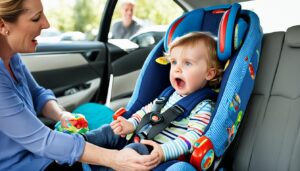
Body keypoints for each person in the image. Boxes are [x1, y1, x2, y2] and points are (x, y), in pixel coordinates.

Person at [0, 0, 159, 170]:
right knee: (135, 152)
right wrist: (115, 159)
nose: (46, 23)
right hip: (28, 165)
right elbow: (43, 140)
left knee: (117, 138)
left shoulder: (12, 57)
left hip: (43, 154)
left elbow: (38, 95)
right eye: (36, 18)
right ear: (2, 25)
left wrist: (61, 115)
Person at [85, 32, 224, 170]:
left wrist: (163, 152)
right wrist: (131, 124)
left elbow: (193, 137)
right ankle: (83, 143)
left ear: (209, 73)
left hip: (161, 157)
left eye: (187, 63)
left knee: (136, 150)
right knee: (110, 131)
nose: (177, 69)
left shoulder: (203, 106)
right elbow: (146, 112)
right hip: (140, 139)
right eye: (174, 62)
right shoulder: (169, 94)